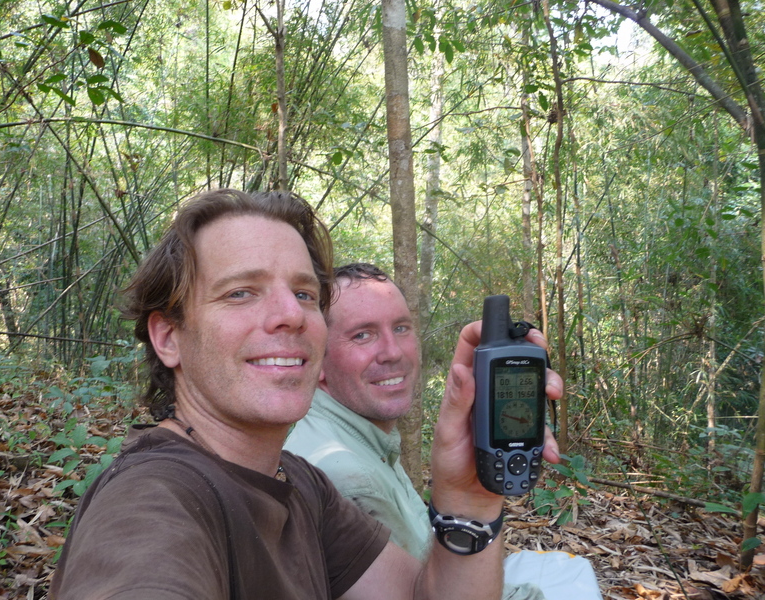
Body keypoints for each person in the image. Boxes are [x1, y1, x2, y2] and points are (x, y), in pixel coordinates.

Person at [49, 189, 558, 600]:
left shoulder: (300, 484)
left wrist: (468, 500)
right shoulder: (154, 501)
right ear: (168, 337)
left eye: (304, 294)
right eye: (240, 292)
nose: (291, 314)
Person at [286, 263, 602, 600]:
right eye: (362, 334)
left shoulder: (354, 436)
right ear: (317, 358)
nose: (393, 351)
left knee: (572, 567)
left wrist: (470, 496)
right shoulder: (349, 475)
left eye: (402, 328)